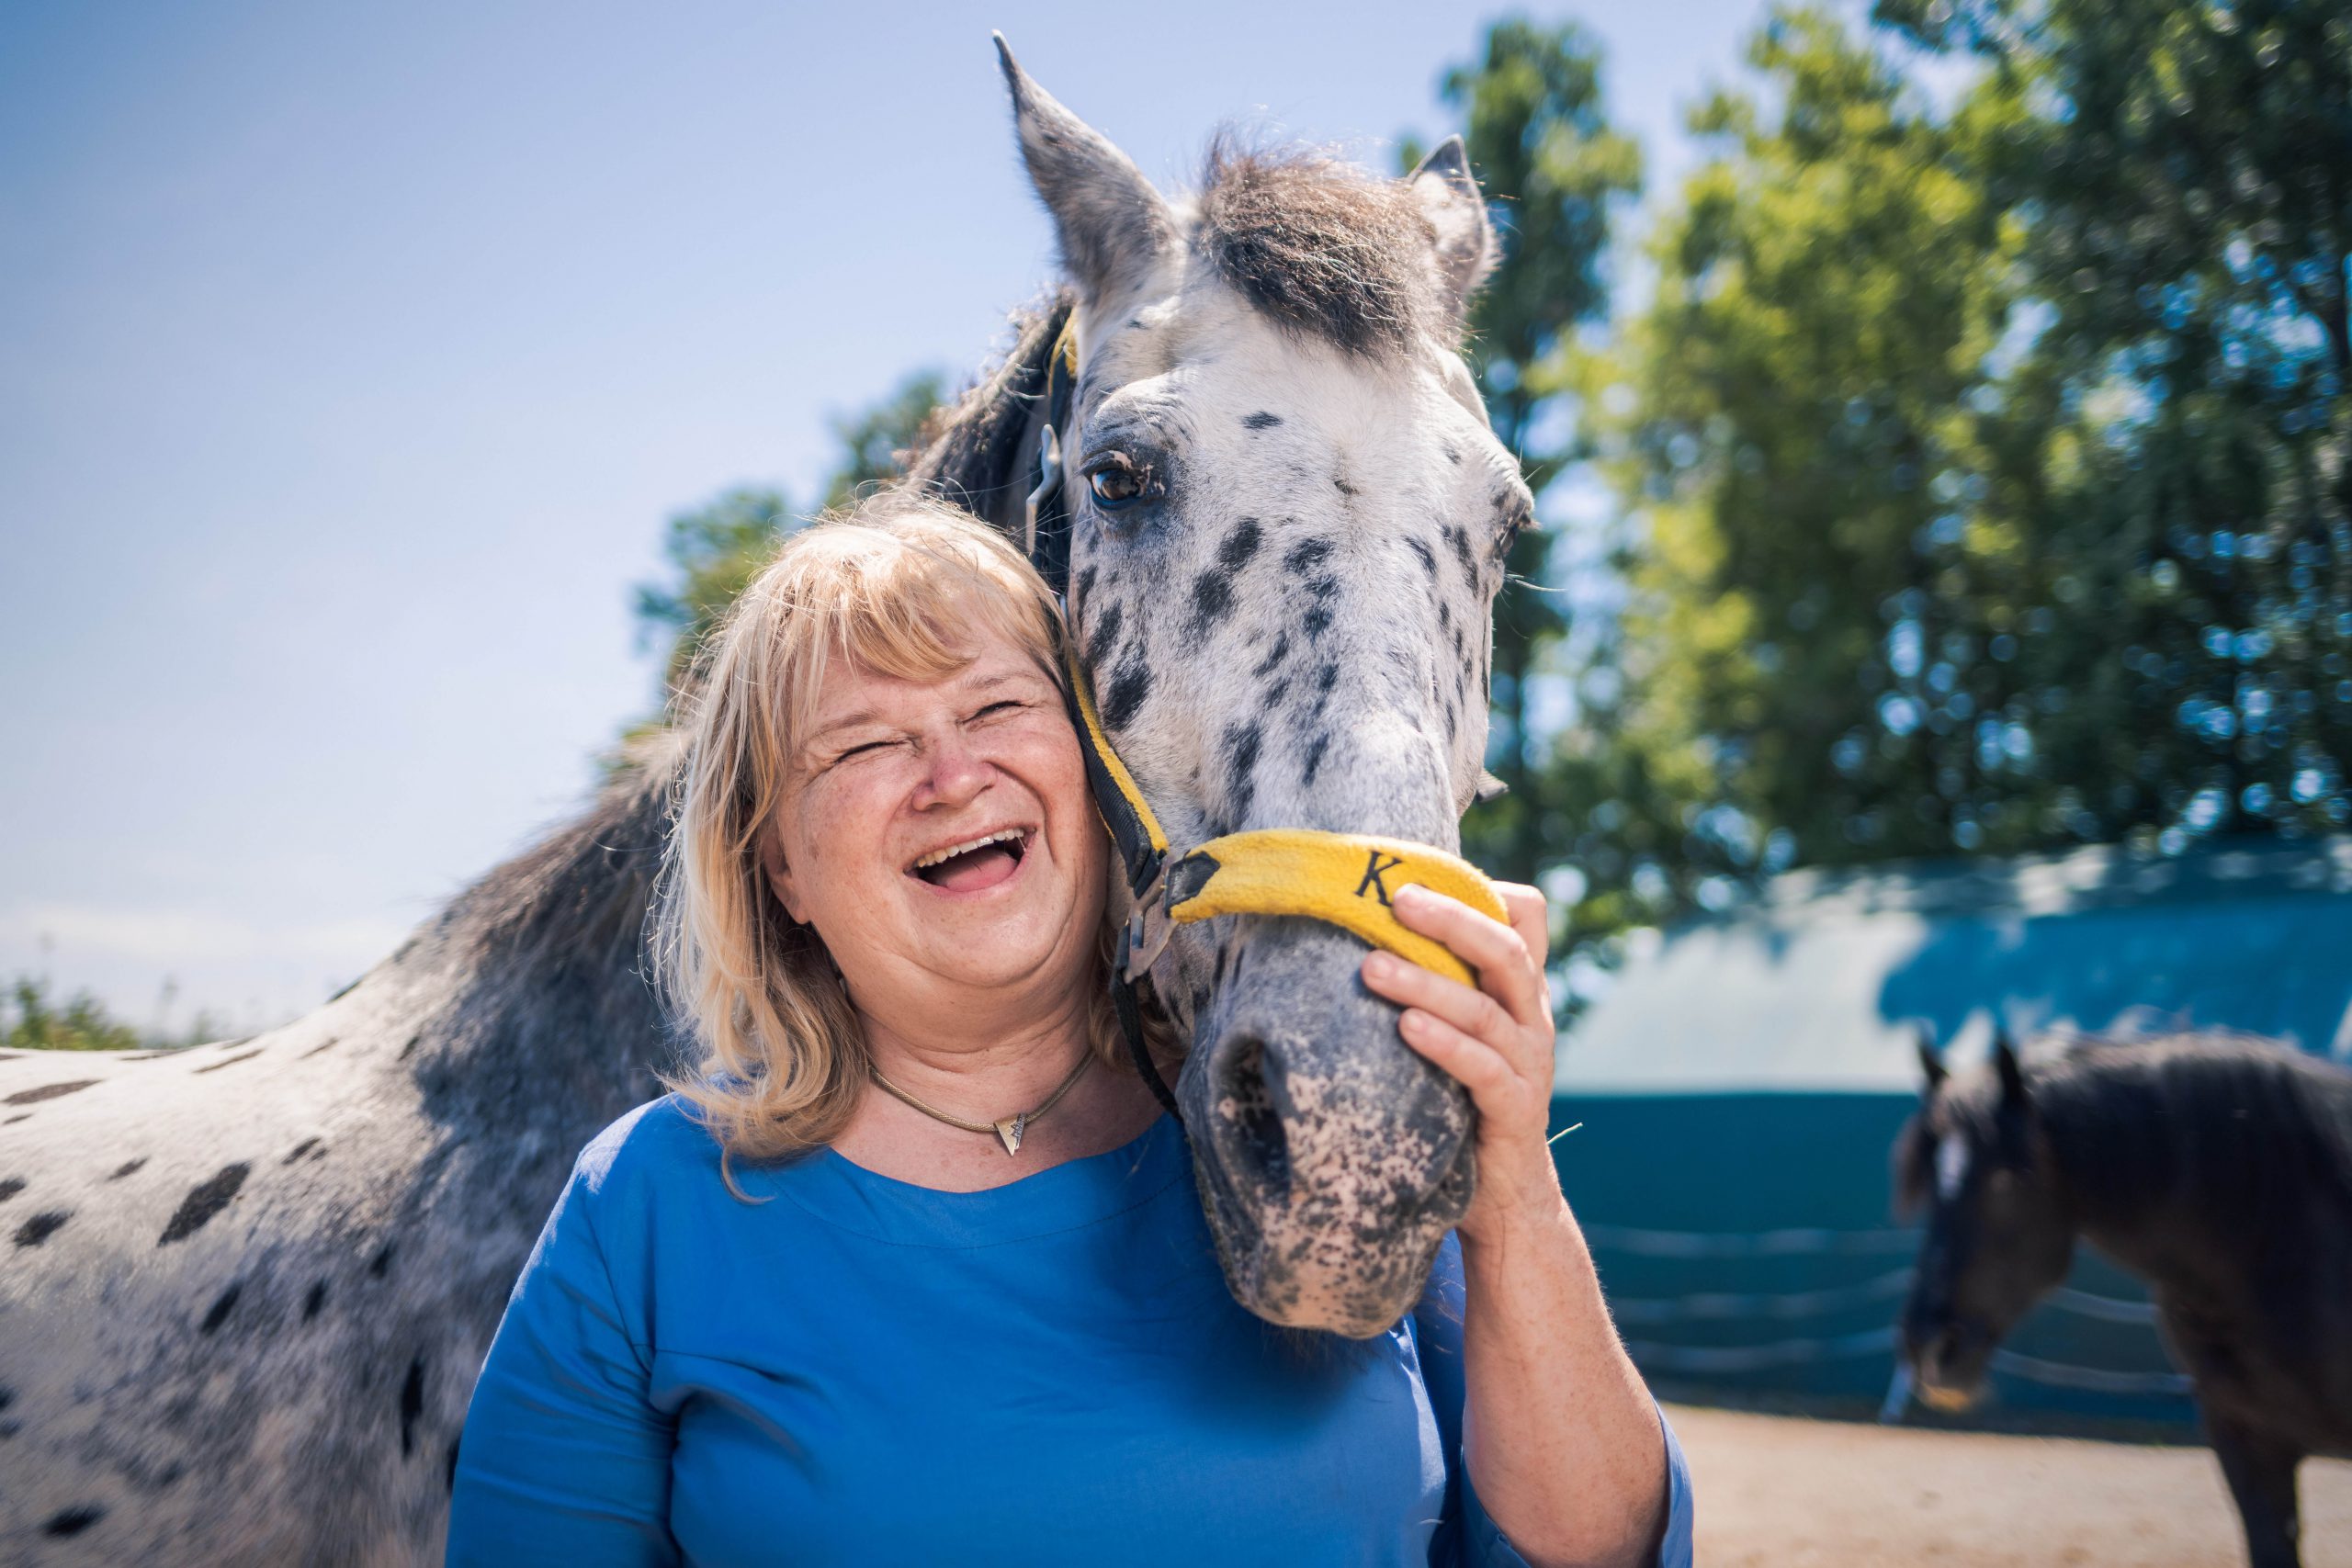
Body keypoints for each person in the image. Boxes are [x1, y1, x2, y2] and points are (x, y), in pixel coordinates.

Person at [445, 495, 1694, 1567]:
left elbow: (1598, 1552)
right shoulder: (650, 1208)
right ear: (779, 869)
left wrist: (1516, 1187)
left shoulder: (1299, 1130)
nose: (951, 773)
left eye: (996, 708)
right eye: (866, 743)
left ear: (1101, 778)